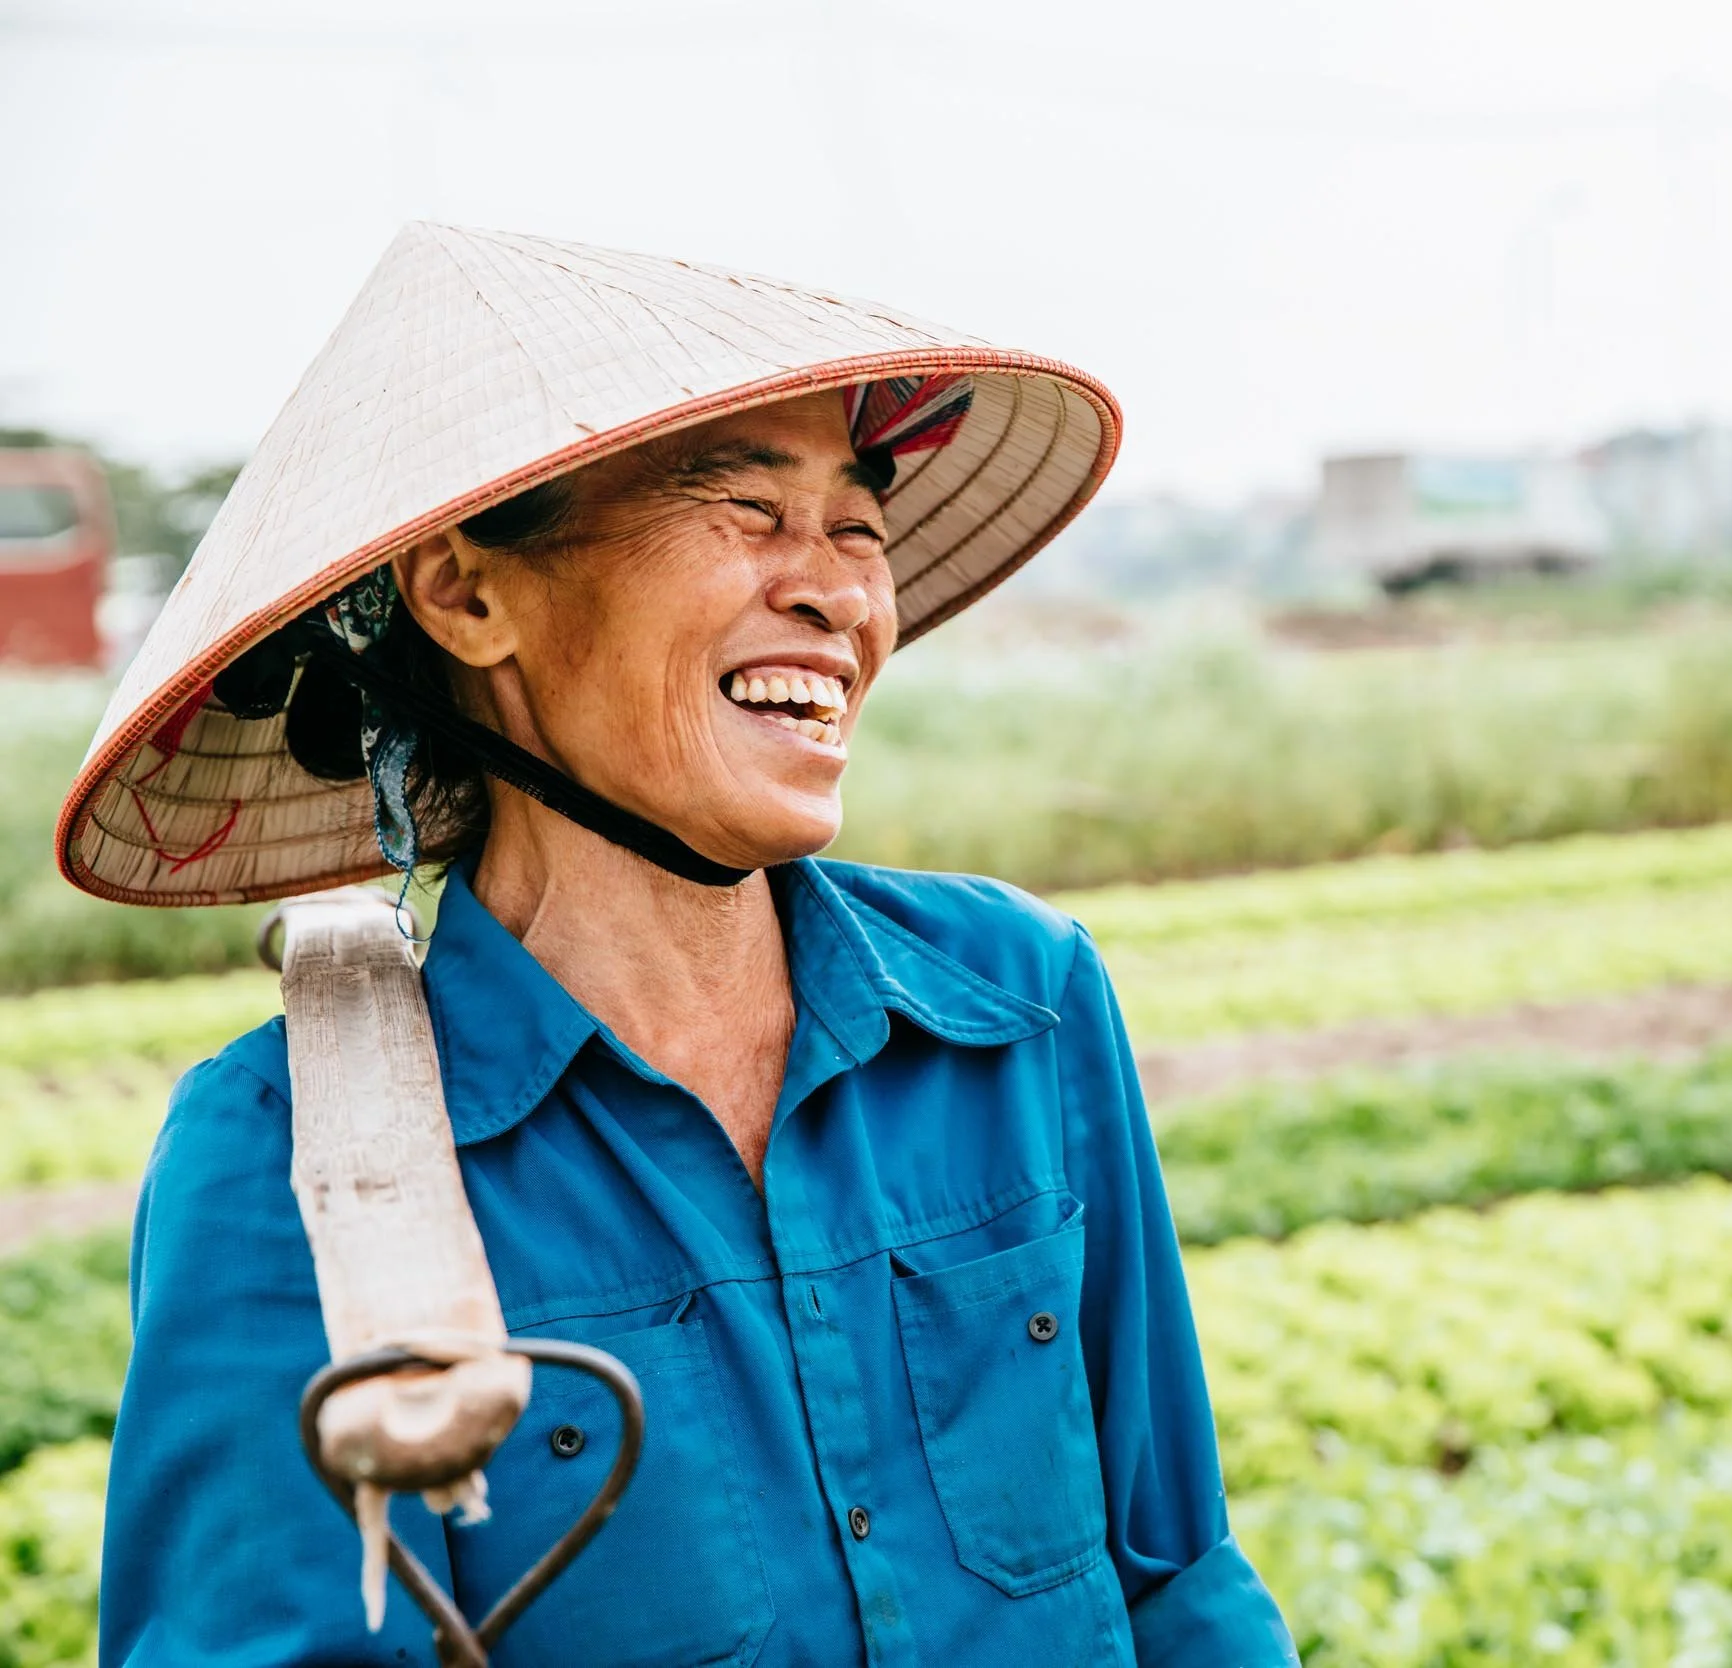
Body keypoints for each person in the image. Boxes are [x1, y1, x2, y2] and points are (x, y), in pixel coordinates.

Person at [55, 225, 1298, 1668]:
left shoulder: (1019, 1005)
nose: (838, 592)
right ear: (469, 595)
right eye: (751, 513)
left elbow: (1178, 1580)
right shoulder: (292, 1158)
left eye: (858, 526)